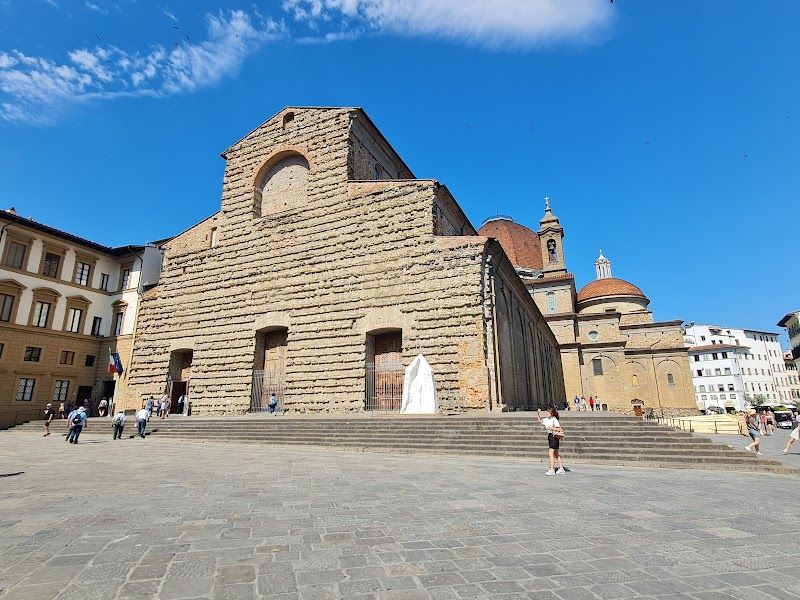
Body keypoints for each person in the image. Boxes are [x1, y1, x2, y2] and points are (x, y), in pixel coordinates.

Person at [537, 408, 566, 475]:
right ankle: (561, 468)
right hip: (550, 436)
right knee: (556, 453)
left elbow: (558, 428)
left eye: (548, 413)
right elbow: (540, 420)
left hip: (554, 436)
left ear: (552, 414)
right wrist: (538, 413)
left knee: (550, 453)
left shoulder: (554, 419)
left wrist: (551, 428)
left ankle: (552, 469)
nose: (547, 414)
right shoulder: (547, 419)